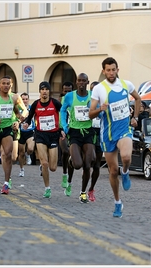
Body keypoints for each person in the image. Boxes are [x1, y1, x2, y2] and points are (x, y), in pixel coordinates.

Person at [88, 56, 141, 218]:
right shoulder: (99, 89)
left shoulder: (127, 85)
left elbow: (138, 99)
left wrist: (135, 117)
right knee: (112, 171)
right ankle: (118, 202)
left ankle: (125, 172)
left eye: (113, 69)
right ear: (103, 71)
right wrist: (101, 109)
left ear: (118, 70)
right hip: (107, 134)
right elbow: (90, 114)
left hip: (124, 129)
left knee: (125, 157)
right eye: (108, 70)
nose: (111, 72)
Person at [23, 81, 65, 198]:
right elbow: (29, 117)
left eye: (46, 89)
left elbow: (63, 114)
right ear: (40, 91)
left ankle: (44, 167)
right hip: (40, 135)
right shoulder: (36, 104)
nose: (44, 91)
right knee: (45, 163)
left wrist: (62, 128)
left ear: (49, 91)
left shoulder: (55, 103)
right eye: (42, 89)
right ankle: (47, 188)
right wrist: (26, 123)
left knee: (53, 167)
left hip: (53, 135)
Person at [60, 73, 96, 203]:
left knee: (88, 164)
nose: (81, 83)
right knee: (77, 165)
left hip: (88, 132)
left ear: (87, 82)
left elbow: (98, 109)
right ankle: (71, 160)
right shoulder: (70, 96)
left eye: (83, 81)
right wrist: (64, 126)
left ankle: (83, 192)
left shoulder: (92, 95)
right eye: (79, 81)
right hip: (74, 132)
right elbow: (63, 111)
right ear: (76, 82)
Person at [88, 80, 103, 202]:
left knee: (97, 165)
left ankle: (91, 189)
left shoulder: (104, 103)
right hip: (88, 131)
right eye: (93, 90)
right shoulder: (87, 102)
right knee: (90, 160)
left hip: (100, 133)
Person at [58, 81, 74, 188]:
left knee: (72, 156)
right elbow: (59, 115)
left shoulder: (75, 99)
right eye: (65, 91)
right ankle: (64, 173)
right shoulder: (60, 101)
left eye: (69, 91)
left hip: (74, 130)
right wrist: (61, 128)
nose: (67, 93)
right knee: (65, 151)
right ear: (62, 91)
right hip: (62, 130)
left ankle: (69, 180)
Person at [18, 92, 35, 177]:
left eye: (26, 99)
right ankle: (21, 169)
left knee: (30, 148)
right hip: (20, 132)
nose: (25, 101)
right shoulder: (17, 108)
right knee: (21, 153)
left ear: (28, 100)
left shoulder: (32, 108)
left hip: (30, 131)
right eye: (23, 99)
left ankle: (28, 155)